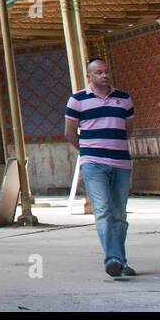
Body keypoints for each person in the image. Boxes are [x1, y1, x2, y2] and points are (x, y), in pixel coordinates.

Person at [65, 58, 136, 278]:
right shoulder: (77, 100)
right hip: (93, 164)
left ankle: (119, 261)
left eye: (106, 71)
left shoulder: (124, 99)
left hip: (121, 163)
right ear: (89, 77)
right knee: (104, 211)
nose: (104, 75)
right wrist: (88, 151)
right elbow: (70, 133)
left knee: (120, 215)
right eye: (99, 72)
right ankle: (113, 259)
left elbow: (128, 130)